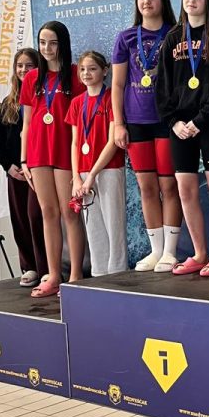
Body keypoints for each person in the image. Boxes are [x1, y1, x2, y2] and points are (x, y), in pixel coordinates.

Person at [156, 0, 209, 277]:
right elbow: (162, 87)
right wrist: (174, 122)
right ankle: (200, 252)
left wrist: (199, 121)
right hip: (180, 127)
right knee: (185, 189)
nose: (191, 0)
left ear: (208, 1)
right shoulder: (173, 38)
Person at [111, 0, 182, 272]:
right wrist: (119, 124)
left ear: (162, 0)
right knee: (147, 187)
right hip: (136, 122)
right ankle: (156, 251)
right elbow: (117, 84)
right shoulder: (126, 37)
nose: (146, 2)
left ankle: (171, 252)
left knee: (169, 185)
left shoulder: (176, 34)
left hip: (167, 120)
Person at [19, 20, 84, 297]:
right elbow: (26, 123)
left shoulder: (76, 76)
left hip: (64, 152)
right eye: (42, 42)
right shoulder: (32, 78)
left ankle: (76, 275)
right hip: (38, 153)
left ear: (63, 44)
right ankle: (54, 274)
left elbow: (81, 121)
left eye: (53, 43)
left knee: (69, 212)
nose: (47, 48)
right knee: (48, 212)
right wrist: (23, 160)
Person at [67, 50, 127, 277]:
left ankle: (117, 272)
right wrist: (76, 177)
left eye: (92, 69)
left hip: (108, 169)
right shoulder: (76, 103)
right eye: (83, 69)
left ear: (105, 71)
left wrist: (92, 174)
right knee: (93, 226)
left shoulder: (111, 98)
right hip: (83, 173)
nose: (86, 73)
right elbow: (75, 143)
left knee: (114, 223)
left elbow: (113, 142)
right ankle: (100, 273)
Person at [0, 47, 47, 287]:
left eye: (29, 65)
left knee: (37, 217)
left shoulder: (43, 97)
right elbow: (0, 142)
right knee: (20, 220)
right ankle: (29, 266)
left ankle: (47, 267)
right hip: (16, 172)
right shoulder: (9, 103)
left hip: (39, 170)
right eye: (20, 65)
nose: (24, 70)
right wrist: (9, 166)